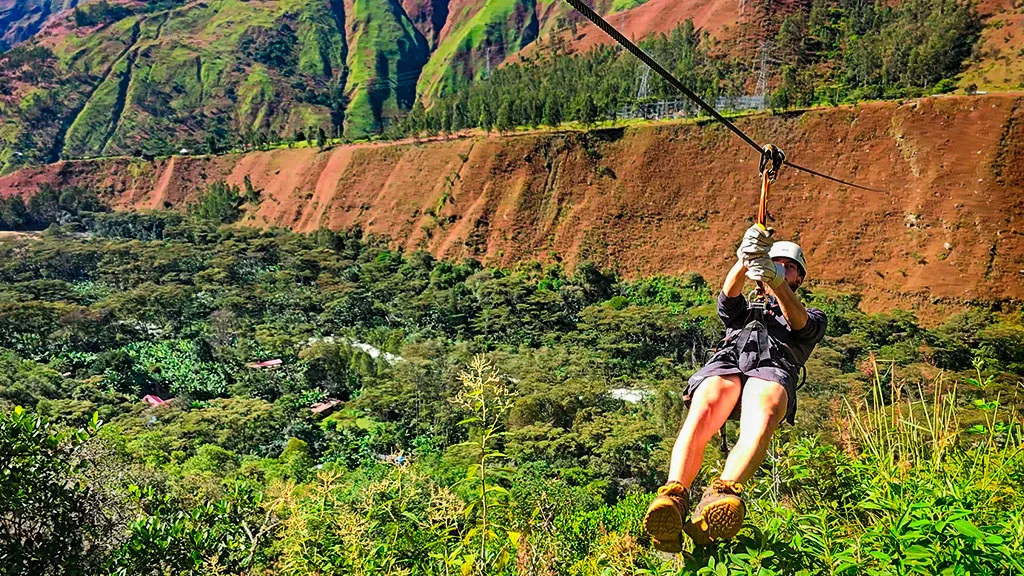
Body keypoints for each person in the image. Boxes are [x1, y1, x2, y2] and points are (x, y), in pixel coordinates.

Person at [643, 224, 828, 552]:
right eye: (776, 262)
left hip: (773, 367)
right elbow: (728, 298)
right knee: (707, 404)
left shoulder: (810, 315)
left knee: (766, 407)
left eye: (788, 267)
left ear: (799, 278)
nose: (781, 268)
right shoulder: (744, 311)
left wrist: (774, 281)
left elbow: (799, 323)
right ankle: (674, 495)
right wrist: (745, 260)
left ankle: (723, 494)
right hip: (729, 362)